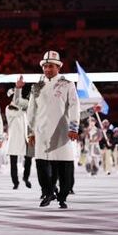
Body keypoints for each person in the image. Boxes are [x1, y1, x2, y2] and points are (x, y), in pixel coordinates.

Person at [25, 51, 80, 209]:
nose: (47, 69)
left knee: (64, 165)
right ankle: (48, 192)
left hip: (62, 131)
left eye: (51, 66)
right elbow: (31, 111)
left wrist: (73, 127)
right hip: (41, 131)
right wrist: (30, 132)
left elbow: (74, 106)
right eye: (45, 66)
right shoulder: (36, 87)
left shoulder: (67, 85)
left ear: (58, 67)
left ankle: (63, 196)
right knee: (41, 164)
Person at [6, 88, 33, 189]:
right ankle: (15, 182)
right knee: (13, 162)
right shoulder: (9, 108)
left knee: (29, 159)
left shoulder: (23, 108)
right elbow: (19, 113)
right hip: (14, 138)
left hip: (25, 138)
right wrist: (27, 108)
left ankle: (26, 177)